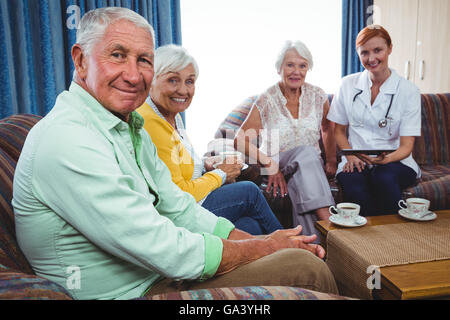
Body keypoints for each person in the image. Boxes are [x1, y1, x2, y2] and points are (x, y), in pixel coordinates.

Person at [12, 7, 338, 300]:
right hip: (133, 290)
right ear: (81, 60)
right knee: (305, 268)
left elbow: (179, 208)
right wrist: (264, 246)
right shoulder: (69, 138)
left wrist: (265, 246)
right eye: (117, 55)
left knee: (291, 254)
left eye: (143, 60)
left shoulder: (128, 127)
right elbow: (163, 247)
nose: (133, 74)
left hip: (158, 274)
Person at [136, 45, 283, 235]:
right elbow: (179, 194)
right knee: (249, 192)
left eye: (189, 81)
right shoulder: (151, 122)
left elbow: (174, 165)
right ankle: (294, 247)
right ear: (151, 80)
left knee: (250, 226)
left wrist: (206, 165)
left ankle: (279, 256)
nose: (183, 90)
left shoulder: (171, 116)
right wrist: (221, 174)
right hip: (179, 215)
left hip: (192, 203)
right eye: (173, 80)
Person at [234, 40, 337, 240]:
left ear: (308, 68)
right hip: (277, 162)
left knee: (304, 177)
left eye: (302, 66)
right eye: (290, 65)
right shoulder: (267, 99)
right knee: (306, 152)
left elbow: (327, 128)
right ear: (280, 67)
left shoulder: (318, 96)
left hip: (309, 167)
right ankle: (329, 219)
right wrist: (270, 164)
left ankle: (313, 249)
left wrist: (332, 160)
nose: (296, 71)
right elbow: (239, 140)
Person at [327, 25, 421, 216]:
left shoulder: (408, 90)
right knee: (353, 184)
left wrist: (386, 159)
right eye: (365, 53)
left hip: (396, 161)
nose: (371, 59)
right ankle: (364, 243)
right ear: (358, 54)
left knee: (382, 177)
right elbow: (338, 131)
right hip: (356, 160)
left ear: (390, 48)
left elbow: (406, 146)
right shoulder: (348, 84)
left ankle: (393, 238)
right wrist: (351, 156)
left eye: (378, 50)